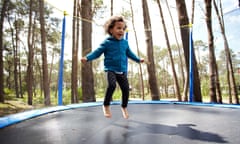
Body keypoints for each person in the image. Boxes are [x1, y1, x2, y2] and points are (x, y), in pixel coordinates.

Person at [81, 16, 144, 119]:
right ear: (111, 30)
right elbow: (97, 52)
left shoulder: (125, 43)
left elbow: (130, 53)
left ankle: (124, 107)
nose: (121, 31)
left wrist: (138, 59)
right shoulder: (107, 42)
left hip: (122, 70)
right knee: (112, 85)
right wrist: (87, 58)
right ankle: (106, 105)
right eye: (118, 28)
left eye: (123, 29)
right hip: (110, 69)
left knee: (126, 89)